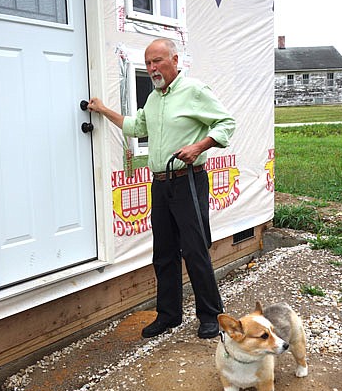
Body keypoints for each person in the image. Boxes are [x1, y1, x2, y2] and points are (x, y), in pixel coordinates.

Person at [87, 38, 236, 339]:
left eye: (158, 61)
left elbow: (226, 123)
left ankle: (210, 315)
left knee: (195, 250)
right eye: (148, 63)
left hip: (189, 180)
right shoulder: (154, 98)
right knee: (163, 252)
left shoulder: (194, 91)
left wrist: (200, 145)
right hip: (160, 184)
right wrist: (102, 109)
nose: (152, 68)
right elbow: (137, 127)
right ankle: (169, 315)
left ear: (175, 60)